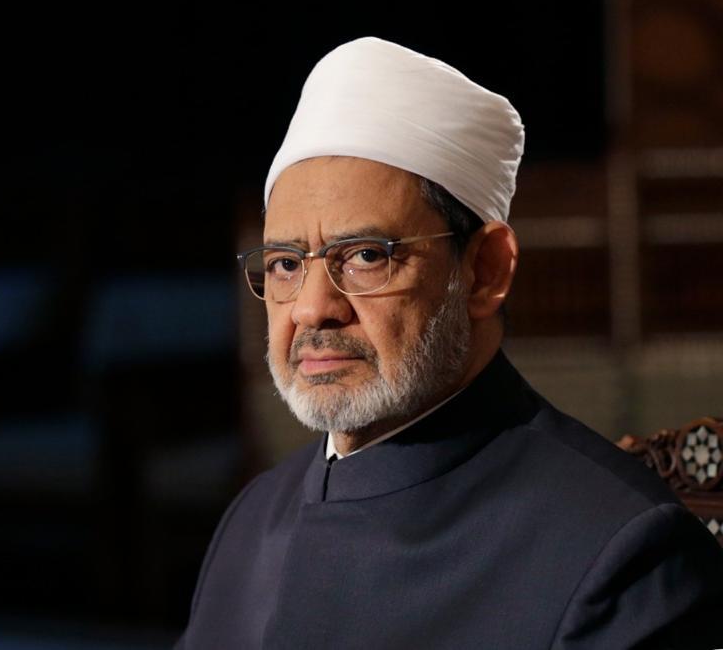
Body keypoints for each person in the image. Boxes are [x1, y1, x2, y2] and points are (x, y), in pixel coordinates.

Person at [176, 37, 723, 649]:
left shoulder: (618, 555)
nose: (311, 308)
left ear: (485, 270)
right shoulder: (252, 520)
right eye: (285, 263)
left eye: (365, 256)